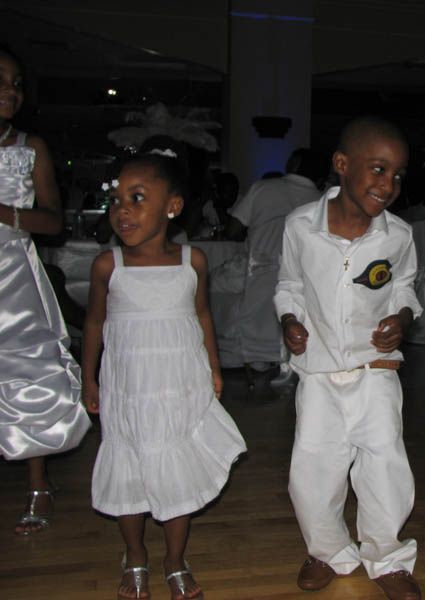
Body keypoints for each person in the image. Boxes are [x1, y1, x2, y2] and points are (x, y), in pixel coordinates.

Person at [81, 149, 246, 600]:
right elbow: (94, 324)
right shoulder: (108, 266)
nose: (122, 210)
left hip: (179, 384)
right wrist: (89, 379)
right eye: (116, 200)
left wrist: (213, 367)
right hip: (130, 388)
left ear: (172, 207)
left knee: (175, 468)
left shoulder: (193, 261)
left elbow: (203, 315)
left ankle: (175, 558)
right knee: (129, 466)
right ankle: (135, 553)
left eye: (137, 198)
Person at [274, 116, 423, 600]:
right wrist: (289, 319)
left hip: (375, 369)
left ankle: (387, 556)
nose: (388, 184)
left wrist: (402, 317)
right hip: (319, 372)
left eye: (397, 175)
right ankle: (327, 550)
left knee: (384, 464)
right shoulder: (300, 227)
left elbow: (404, 288)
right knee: (314, 466)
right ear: (342, 164)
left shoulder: (398, 236)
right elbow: (289, 285)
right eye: (378, 169)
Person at [0, 44, 91, 535]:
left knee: (31, 374)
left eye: (16, 84)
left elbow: (54, 221)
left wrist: (5, 213)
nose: (10, 92)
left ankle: (39, 484)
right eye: (1, 80)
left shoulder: (29, 147)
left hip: (13, 276)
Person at [225, 148, 328, 386]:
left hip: (261, 274)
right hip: (304, 279)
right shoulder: (323, 201)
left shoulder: (263, 188)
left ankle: (253, 372)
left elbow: (233, 230)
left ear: (295, 163)